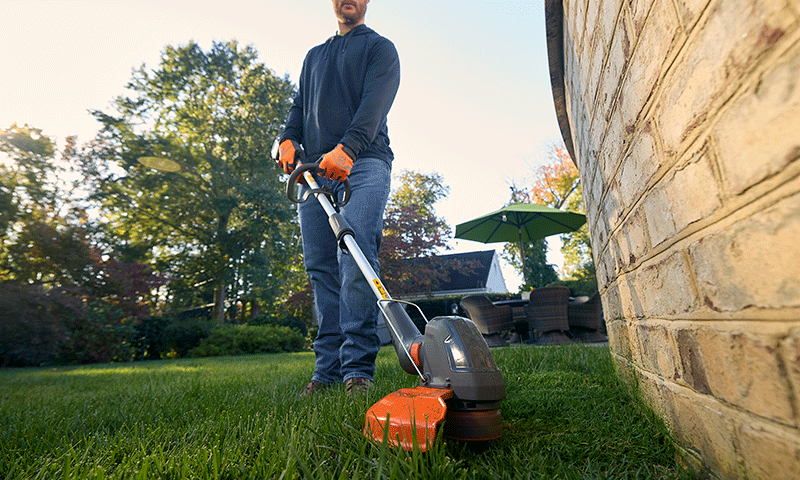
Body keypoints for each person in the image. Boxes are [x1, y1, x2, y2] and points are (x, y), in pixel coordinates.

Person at [277, 0, 400, 397]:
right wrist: (286, 139)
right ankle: (326, 371)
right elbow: (298, 109)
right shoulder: (314, 57)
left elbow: (375, 105)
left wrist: (348, 148)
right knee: (321, 268)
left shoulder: (380, 48)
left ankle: (357, 371)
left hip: (364, 163)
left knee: (356, 252)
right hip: (313, 173)